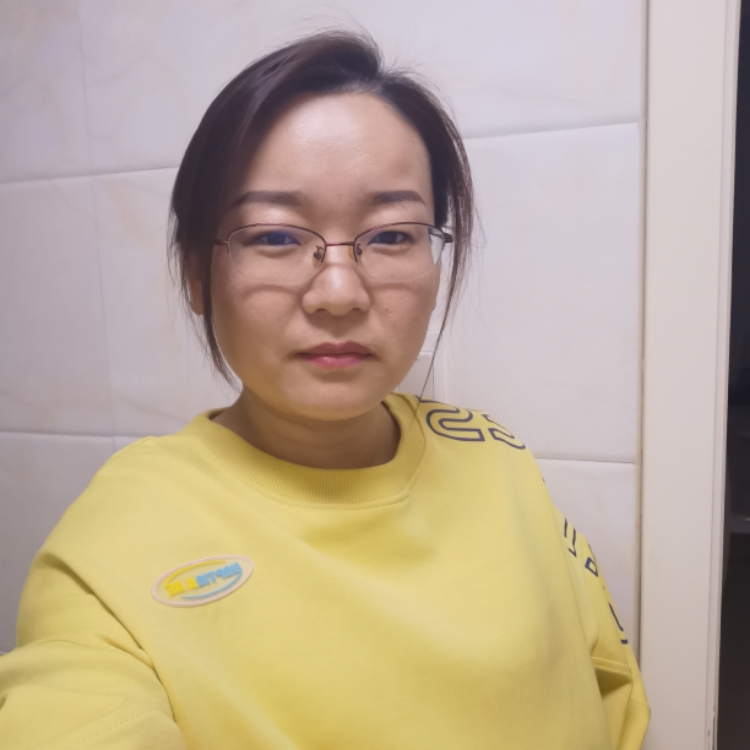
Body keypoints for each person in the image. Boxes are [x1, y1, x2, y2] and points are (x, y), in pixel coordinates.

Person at [0, 31, 649, 749]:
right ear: (196, 276)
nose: (339, 293)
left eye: (392, 235)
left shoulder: (497, 457)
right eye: (276, 237)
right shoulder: (111, 549)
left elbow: (604, 686)